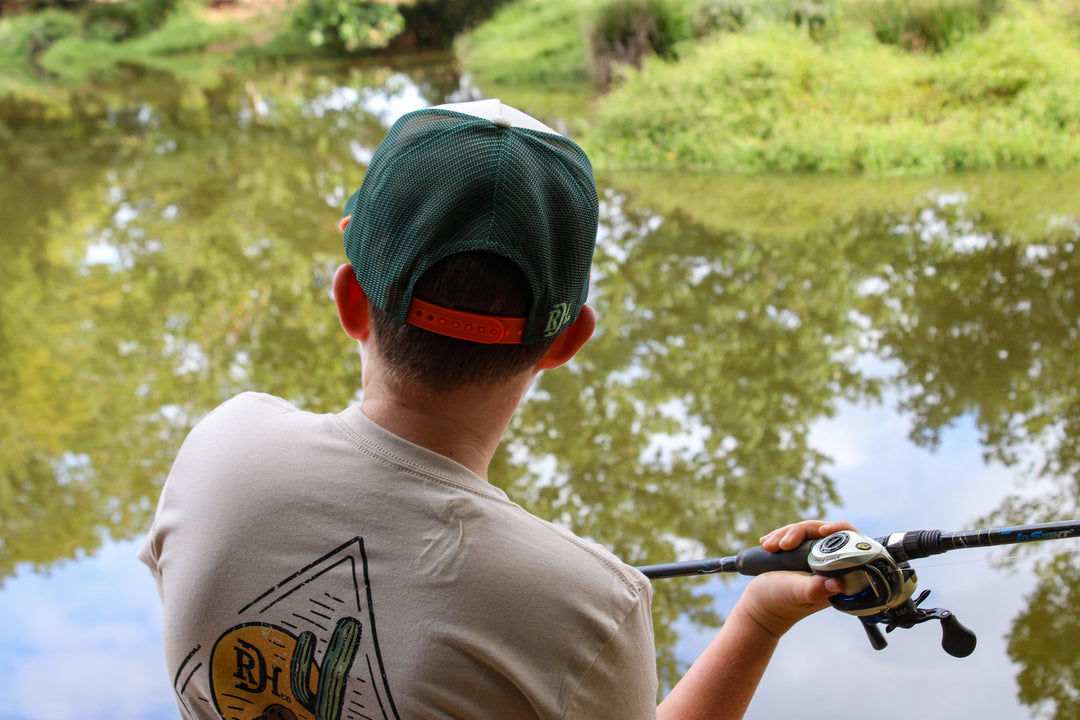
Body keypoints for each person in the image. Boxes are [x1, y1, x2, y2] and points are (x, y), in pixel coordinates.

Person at [139, 99, 852, 720]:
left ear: (351, 299)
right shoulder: (585, 607)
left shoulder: (221, 450)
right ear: (567, 341)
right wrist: (758, 623)